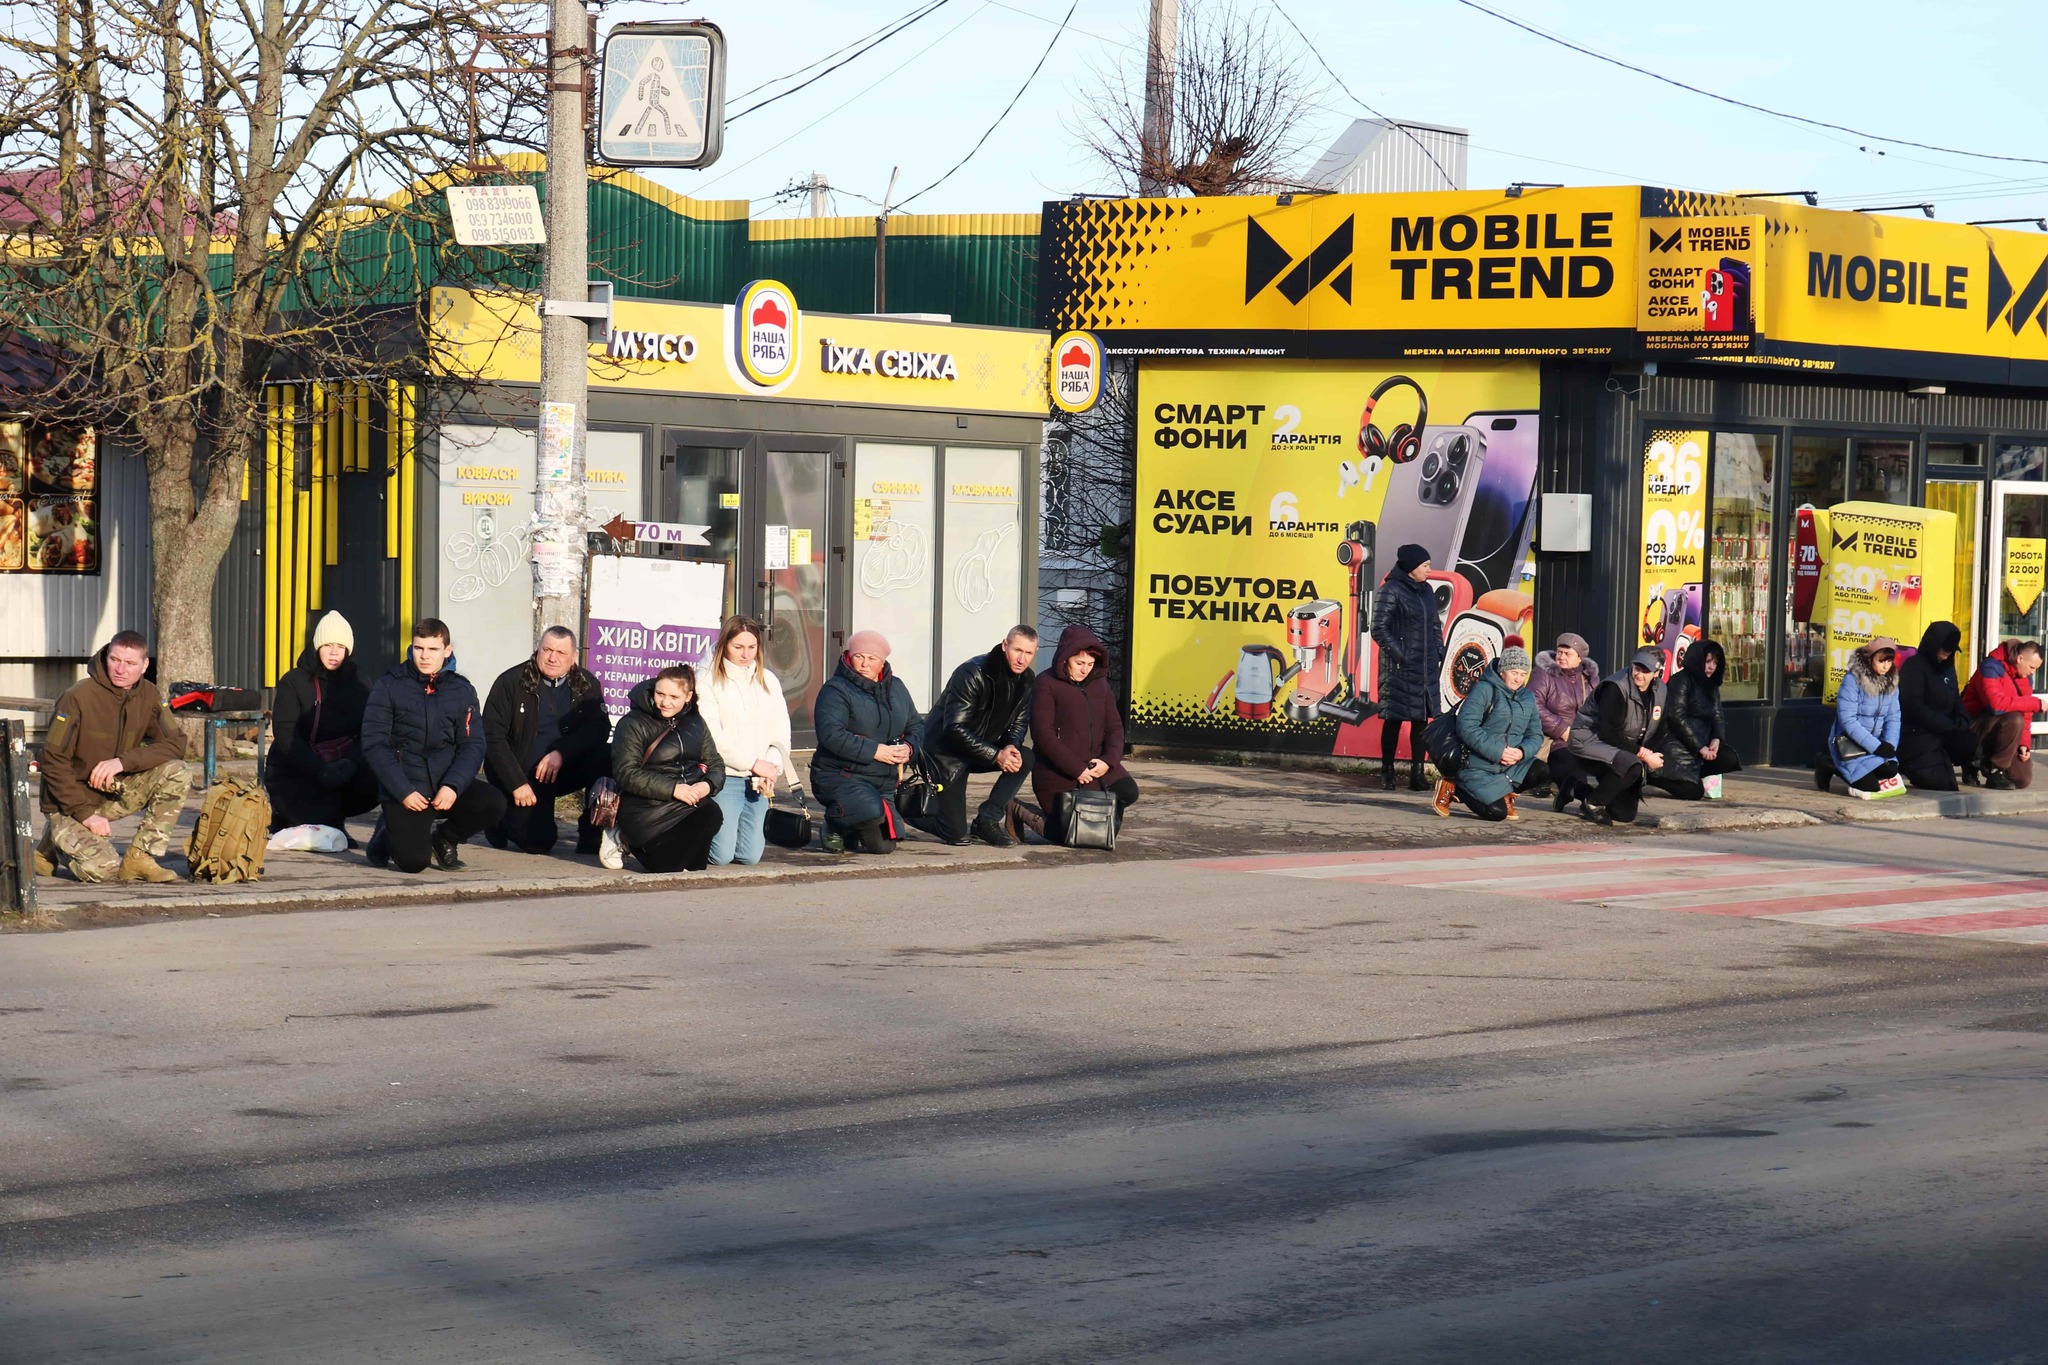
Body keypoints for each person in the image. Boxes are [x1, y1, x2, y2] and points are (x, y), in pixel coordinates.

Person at [36, 631, 191, 883]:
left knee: (177, 771)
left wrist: (123, 762)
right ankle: (53, 841)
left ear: (144, 665)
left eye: (130, 663)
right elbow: (53, 760)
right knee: (103, 870)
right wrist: (85, 814)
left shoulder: (148, 694)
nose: (120, 669)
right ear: (106, 656)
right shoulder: (77, 697)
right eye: (115, 659)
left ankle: (140, 858)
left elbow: (176, 744)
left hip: (114, 789)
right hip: (70, 800)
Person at [360, 618, 506, 873]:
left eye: (433, 649)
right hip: (407, 788)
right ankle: (385, 834)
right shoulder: (388, 685)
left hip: (443, 782)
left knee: (494, 803)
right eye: (419, 648)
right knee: (415, 862)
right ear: (412, 648)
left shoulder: (462, 690)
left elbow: (472, 744)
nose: (425, 656)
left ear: (447, 651)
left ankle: (445, 838)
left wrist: (453, 785)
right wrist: (402, 790)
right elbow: (374, 744)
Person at [481, 627, 611, 856]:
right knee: (539, 842)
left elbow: (599, 728)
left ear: (573, 658)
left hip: (561, 767)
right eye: (547, 649)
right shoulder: (511, 682)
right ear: (537, 650)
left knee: (607, 757)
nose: (552, 658)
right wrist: (515, 783)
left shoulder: (586, 683)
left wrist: (562, 752)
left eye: (561, 652)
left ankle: (591, 834)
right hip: (523, 775)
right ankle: (498, 816)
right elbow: (492, 737)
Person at [914, 625, 1038, 847]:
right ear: (1004, 646)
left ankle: (986, 822)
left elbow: (1020, 722)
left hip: (979, 749)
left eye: (1028, 653)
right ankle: (896, 807)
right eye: (1017, 650)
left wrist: (1010, 746)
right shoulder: (973, 672)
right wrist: (995, 755)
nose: (1021, 659)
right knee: (955, 833)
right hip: (945, 754)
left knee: (1024, 757)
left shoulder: (1027, 679)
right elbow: (954, 729)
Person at [264, 611, 380, 835]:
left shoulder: (361, 683)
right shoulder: (294, 681)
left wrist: (352, 763)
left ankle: (334, 818)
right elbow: (286, 735)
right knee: (317, 829)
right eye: (328, 645)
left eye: (340, 646)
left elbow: (370, 731)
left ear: (349, 649)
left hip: (343, 764)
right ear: (317, 647)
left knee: (377, 780)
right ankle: (290, 815)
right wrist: (320, 769)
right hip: (299, 769)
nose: (334, 652)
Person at [811, 630, 919, 855]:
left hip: (884, 781)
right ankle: (834, 823)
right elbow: (831, 735)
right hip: (840, 775)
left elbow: (917, 726)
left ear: (882, 662)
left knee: (884, 847)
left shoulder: (897, 688)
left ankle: (852, 827)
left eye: (872, 658)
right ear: (849, 656)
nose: (864, 664)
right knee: (870, 809)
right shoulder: (835, 689)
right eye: (859, 656)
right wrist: (875, 751)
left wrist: (909, 749)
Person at [609, 665, 725, 873]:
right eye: (660, 693)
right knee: (666, 868)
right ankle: (622, 837)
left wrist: (707, 785)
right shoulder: (632, 723)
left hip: (686, 803)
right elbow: (626, 773)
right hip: (646, 808)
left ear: (688, 696)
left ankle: (669, 855)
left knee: (708, 823)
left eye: (674, 696)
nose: (665, 702)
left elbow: (715, 763)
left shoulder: (696, 722)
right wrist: (674, 789)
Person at [696, 615, 792, 866]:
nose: (745, 654)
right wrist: (753, 762)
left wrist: (772, 765)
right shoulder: (707, 679)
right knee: (721, 855)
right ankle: (686, 836)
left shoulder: (768, 679)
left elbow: (781, 729)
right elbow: (712, 735)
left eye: (752, 647)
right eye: (738, 647)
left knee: (749, 857)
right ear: (724, 644)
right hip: (724, 775)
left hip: (759, 779)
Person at [1030, 624, 1138, 841]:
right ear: (1065, 658)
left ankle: (1096, 826)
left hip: (1098, 764)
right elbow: (1042, 734)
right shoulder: (1046, 683)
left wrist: (1108, 761)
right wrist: (1077, 768)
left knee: (1125, 795)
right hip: (1058, 770)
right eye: (1079, 663)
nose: (1085, 669)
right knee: (1080, 835)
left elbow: (1114, 727)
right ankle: (1023, 812)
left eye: (1090, 664)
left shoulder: (1100, 684)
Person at [1434, 643, 1544, 822]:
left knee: (1543, 771)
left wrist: (1522, 752)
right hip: (1478, 765)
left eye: (1523, 674)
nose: (1518, 679)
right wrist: (1499, 751)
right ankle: (1455, 786)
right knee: (1496, 813)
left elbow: (1536, 734)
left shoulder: (1528, 697)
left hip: (1511, 764)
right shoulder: (1484, 689)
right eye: (1514, 673)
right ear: (1502, 671)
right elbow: (1466, 727)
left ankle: (1503, 793)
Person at [1370, 543, 1445, 792]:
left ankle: (1417, 774)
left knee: (1421, 721)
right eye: (1424, 565)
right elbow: (1379, 628)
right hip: (1399, 669)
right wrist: (1400, 655)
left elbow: (1435, 624)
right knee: (1394, 719)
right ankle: (1387, 772)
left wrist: (1439, 650)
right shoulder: (1390, 590)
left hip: (1425, 667)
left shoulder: (1427, 591)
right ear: (1411, 567)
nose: (1429, 569)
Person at [1566, 647, 1669, 827]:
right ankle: (1592, 804)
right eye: (1637, 667)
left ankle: (1575, 788)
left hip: (1620, 746)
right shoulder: (1615, 687)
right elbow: (1609, 732)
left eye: (1646, 671)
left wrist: (1652, 753)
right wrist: (1643, 754)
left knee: (1624, 814)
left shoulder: (1661, 689)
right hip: (1589, 740)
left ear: (1657, 673)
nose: (1639, 674)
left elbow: (1660, 725)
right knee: (1632, 766)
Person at [1653, 639, 1743, 801]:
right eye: (1707, 661)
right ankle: (1657, 776)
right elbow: (1676, 717)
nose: (1711, 667)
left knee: (1729, 758)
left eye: (1715, 662)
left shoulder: (1711, 684)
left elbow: (1717, 715)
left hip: (1701, 745)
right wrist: (1700, 747)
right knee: (1693, 793)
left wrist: (1716, 739)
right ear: (1697, 660)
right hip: (1677, 746)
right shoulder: (1681, 680)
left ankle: (1691, 776)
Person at [1819, 637, 1905, 799]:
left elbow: (1894, 717)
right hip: (1850, 744)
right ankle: (1829, 764)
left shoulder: (1891, 681)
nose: (1886, 666)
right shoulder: (1853, 680)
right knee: (1870, 787)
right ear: (1870, 658)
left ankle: (1866, 770)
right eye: (1881, 661)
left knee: (1891, 769)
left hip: (1875, 743)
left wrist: (1890, 744)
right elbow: (1848, 720)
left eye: (1889, 661)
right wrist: (1876, 746)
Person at [1898, 621, 1977, 791]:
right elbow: (1914, 706)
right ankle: (1909, 765)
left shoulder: (1947, 668)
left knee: (1970, 742)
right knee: (1941, 784)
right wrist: (1947, 725)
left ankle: (1958, 763)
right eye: (1945, 649)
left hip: (1943, 732)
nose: (1948, 654)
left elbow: (1955, 697)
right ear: (1933, 645)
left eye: (1951, 651)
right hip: (1918, 733)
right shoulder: (1915, 666)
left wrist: (1962, 719)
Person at [1961, 638, 2042, 790]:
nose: (2033, 672)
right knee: (2014, 719)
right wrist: (2035, 703)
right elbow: (1996, 705)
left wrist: (2024, 744)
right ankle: (1992, 768)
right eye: (2032, 667)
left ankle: (1984, 762)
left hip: (2004, 729)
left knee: (2022, 779)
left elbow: (2026, 715)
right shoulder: (1990, 667)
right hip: (1975, 727)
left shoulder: (2026, 678)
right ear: (2020, 658)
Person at [1533, 632, 1600, 810]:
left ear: (1580, 658)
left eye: (1567, 653)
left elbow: (1597, 710)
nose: (1561, 657)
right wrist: (1562, 730)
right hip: (1552, 738)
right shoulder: (1544, 674)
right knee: (1572, 767)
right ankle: (1591, 800)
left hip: (1581, 739)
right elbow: (1533, 705)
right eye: (1559, 652)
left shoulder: (1589, 679)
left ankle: (1570, 792)